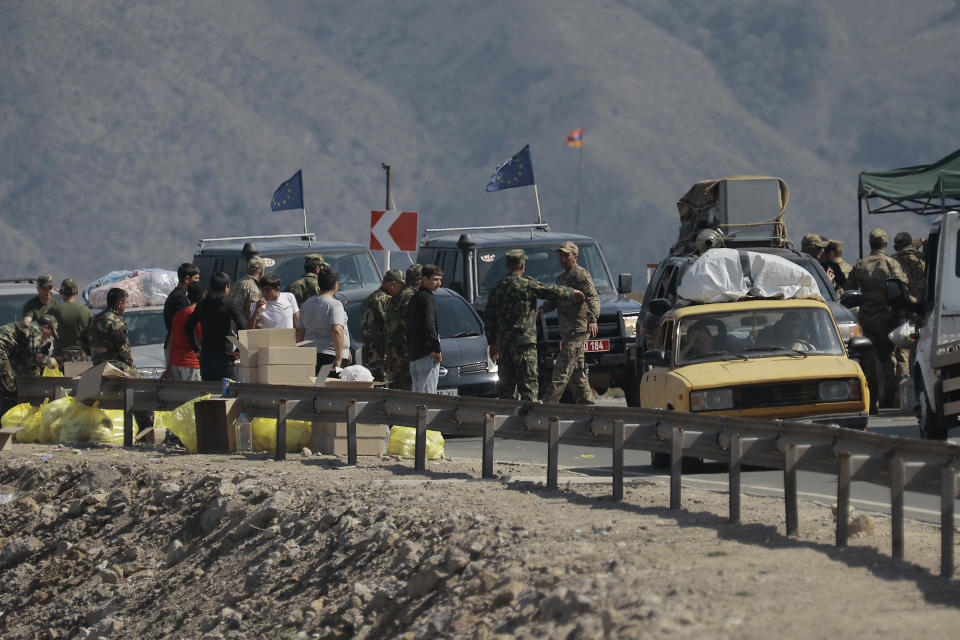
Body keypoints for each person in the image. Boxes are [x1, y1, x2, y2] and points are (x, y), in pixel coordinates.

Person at [484, 250, 583, 401]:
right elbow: (551, 290)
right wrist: (572, 292)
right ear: (522, 265)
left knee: (506, 390)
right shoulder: (527, 285)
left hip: (504, 346)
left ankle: (506, 422)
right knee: (528, 388)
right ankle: (528, 422)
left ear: (507, 265)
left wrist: (492, 343)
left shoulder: (497, 290)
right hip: (524, 346)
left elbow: (489, 319)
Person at [847, 228, 908, 413]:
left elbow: (849, 290)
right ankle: (891, 398)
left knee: (868, 361)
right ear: (886, 244)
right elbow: (902, 287)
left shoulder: (860, 265)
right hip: (888, 318)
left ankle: (872, 403)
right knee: (889, 358)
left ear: (870, 243)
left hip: (867, 320)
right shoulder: (891, 264)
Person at [540, 242, 601, 405]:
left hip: (578, 331)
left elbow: (592, 297)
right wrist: (541, 310)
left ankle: (547, 406)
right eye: (560, 255)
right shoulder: (561, 278)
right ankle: (587, 406)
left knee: (562, 370)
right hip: (567, 332)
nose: (563, 258)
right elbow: (554, 299)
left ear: (575, 257)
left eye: (566, 255)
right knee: (577, 373)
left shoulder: (581, 275)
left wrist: (592, 319)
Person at [185, 272, 247, 381]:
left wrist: (195, 348)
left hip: (206, 357)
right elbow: (242, 325)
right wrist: (238, 349)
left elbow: (188, 326)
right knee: (227, 390)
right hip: (224, 356)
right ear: (226, 287)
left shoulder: (203, 303)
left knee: (209, 390)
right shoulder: (229, 303)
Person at [0, 315, 58, 414]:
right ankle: (6, 421)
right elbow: (34, 356)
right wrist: (49, 361)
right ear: (45, 327)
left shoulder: (27, 331)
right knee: (9, 388)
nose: (50, 336)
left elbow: (25, 361)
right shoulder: (35, 330)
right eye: (51, 332)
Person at [300, 267, 351, 375]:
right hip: (330, 357)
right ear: (336, 284)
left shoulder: (307, 304)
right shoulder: (334, 304)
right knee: (329, 388)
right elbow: (337, 329)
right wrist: (339, 357)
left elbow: (300, 331)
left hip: (310, 354)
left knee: (316, 387)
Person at [361, 268, 404, 382]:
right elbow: (390, 324)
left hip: (368, 352)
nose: (402, 289)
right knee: (383, 388)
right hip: (381, 354)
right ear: (393, 284)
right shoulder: (385, 300)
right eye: (401, 285)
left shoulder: (369, 298)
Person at [407, 265, 444, 393]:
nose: (438, 283)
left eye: (440, 280)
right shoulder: (427, 298)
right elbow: (430, 325)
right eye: (435, 279)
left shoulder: (415, 297)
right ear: (424, 279)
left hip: (415, 354)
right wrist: (436, 349)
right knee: (428, 396)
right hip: (427, 355)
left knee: (417, 394)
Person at [384, 264, 422, 390]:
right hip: (406, 357)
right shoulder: (412, 298)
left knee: (396, 395)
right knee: (408, 397)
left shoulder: (395, 297)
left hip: (393, 356)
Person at [83, 288, 135, 374]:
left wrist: (95, 355)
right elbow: (124, 350)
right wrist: (131, 366)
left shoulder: (94, 319)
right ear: (120, 304)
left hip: (97, 366)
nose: (126, 306)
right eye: (125, 303)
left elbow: (82, 342)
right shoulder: (116, 322)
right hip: (114, 366)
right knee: (139, 378)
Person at [49, 278, 93, 365]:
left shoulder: (54, 310)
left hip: (59, 359)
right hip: (81, 359)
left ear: (61, 292)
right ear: (77, 292)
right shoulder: (86, 311)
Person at [165, 282, 204, 381]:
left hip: (176, 362)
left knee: (180, 394)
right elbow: (201, 342)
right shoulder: (196, 315)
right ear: (203, 296)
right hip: (191, 363)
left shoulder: (178, 315)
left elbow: (171, 342)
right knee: (193, 394)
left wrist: (168, 366)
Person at [163, 263, 201, 342]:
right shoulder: (180, 298)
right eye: (196, 278)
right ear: (187, 279)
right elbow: (183, 323)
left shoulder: (177, 294)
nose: (198, 281)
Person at [232, 256, 265, 327]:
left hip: (239, 329)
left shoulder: (239, 283)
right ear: (262, 272)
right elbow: (253, 314)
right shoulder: (252, 288)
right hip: (248, 332)